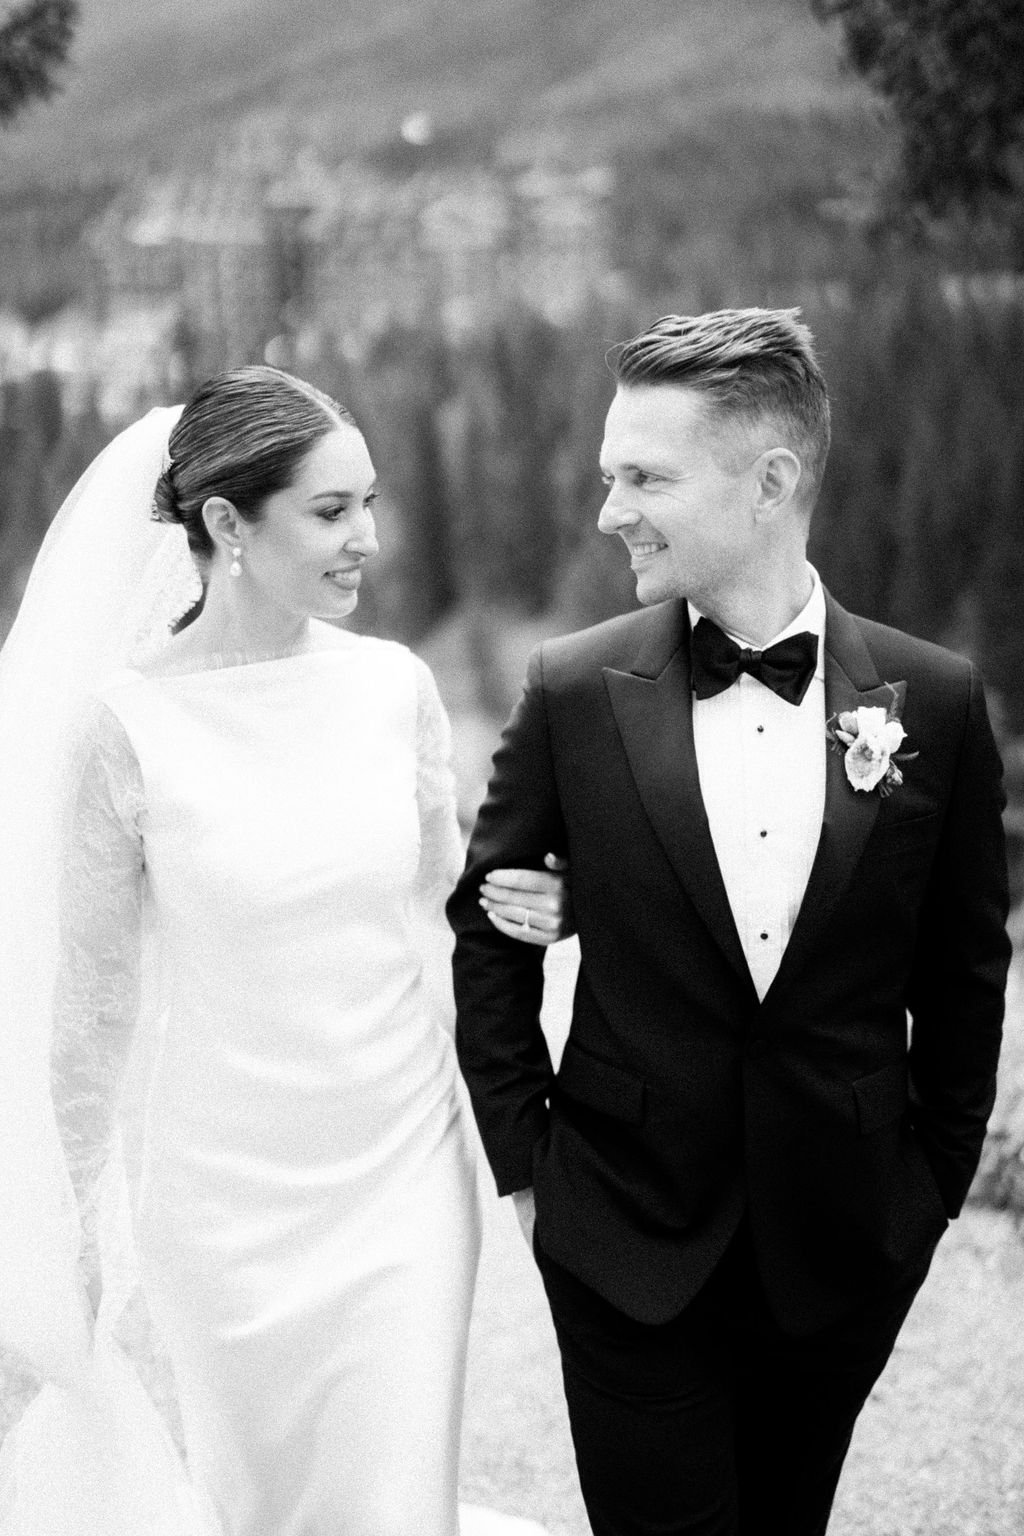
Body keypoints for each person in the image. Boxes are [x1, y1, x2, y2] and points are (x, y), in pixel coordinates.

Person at [448, 308, 1011, 1536]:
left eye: (644, 477)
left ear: (770, 482)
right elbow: (487, 941)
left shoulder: (940, 703)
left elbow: (968, 976)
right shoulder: (568, 691)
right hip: (619, 1237)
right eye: (608, 477)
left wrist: (923, 1197)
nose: (611, 512)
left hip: (843, 1244)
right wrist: (532, 1178)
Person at [0, 366, 568, 1536]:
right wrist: (70, 1235)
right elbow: (92, 1005)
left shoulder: (391, 689)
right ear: (224, 524)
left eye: (369, 501)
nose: (369, 537)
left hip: (401, 1172)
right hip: (221, 1207)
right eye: (330, 510)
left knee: (393, 1504)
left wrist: (536, 908)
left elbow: (439, 905)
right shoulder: (125, 728)